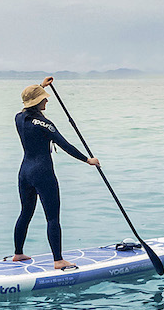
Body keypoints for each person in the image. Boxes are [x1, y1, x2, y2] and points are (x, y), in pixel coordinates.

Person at [6, 76, 100, 270]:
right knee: (52, 217)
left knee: (25, 212)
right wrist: (87, 160)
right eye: (44, 98)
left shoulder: (18, 118)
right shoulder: (45, 124)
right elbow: (65, 145)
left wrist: (40, 87)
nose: (47, 100)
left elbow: (28, 103)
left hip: (24, 172)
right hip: (43, 173)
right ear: (38, 102)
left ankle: (18, 253)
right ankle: (58, 260)